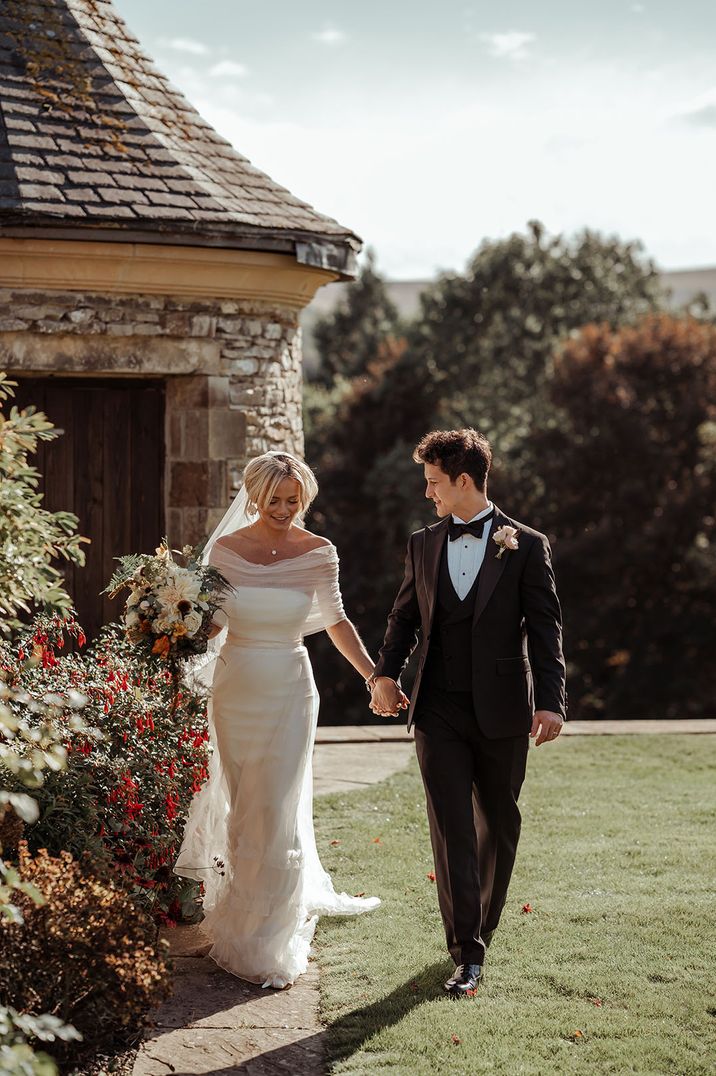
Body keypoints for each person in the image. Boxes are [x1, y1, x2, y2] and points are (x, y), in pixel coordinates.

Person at [368, 429, 566, 998]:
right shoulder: (422, 543)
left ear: (463, 481)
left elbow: (547, 629)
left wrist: (551, 701)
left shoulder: (526, 544)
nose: (427, 493)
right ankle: (467, 953)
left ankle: (482, 923)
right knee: (452, 827)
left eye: (433, 483)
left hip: (503, 710)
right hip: (437, 709)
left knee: (499, 823)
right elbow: (403, 617)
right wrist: (384, 674)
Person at [175, 450, 380, 989]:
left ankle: (269, 939)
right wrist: (166, 632)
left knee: (278, 805)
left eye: (294, 500)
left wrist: (373, 675)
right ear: (254, 497)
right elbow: (211, 626)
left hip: (290, 688)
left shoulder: (319, 552)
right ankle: (240, 917)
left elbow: (336, 623)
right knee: (245, 807)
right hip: (235, 686)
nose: (285, 509)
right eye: (275, 501)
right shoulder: (225, 550)